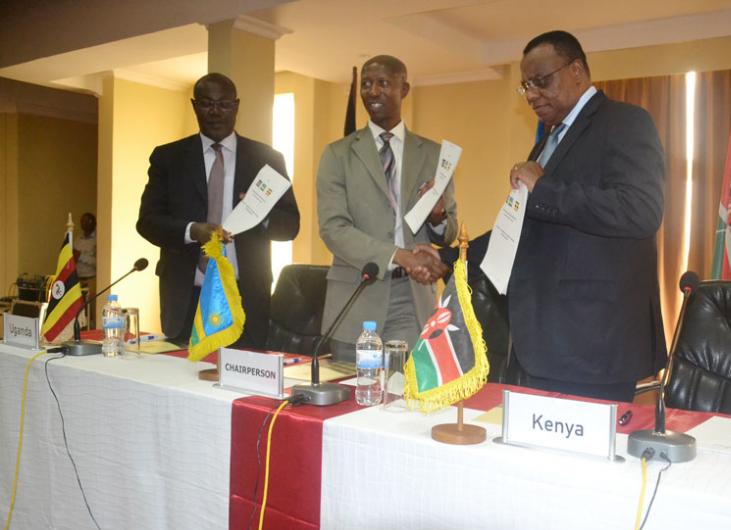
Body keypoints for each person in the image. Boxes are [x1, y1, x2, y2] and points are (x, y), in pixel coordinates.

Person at [507, 31, 667, 402]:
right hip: (544, 341)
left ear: (577, 70)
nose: (531, 94)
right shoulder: (548, 141)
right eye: (525, 86)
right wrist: (449, 255)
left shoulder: (625, 122)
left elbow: (641, 210)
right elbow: (526, 231)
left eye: (541, 81)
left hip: (595, 342)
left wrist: (543, 190)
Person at [136, 73, 300, 349]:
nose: (215, 112)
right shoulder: (168, 157)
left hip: (244, 296)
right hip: (186, 296)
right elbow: (148, 221)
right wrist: (191, 231)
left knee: (242, 381)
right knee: (178, 382)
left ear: (236, 107)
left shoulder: (267, 159)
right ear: (194, 105)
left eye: (223, 104)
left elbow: (290, 226)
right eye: (206, 103)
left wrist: (260, 215)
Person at [317, 55, 457, 362]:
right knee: (350, 401)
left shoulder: (433, 154)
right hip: (355, 298)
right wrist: (399, 256)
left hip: (412, 298)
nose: (373, 91)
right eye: (366, 84)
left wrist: (438, 216)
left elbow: (449, 232)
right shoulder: (338, 154)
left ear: (404, 89)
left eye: (383, 83)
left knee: (403, 400)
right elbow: (333, 229)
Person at [74, 212, 97, 327]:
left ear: (93, 223)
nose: (84, 223)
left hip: (91, 279)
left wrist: (81, 256)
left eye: (87, 221)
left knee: (92, 311)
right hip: (78, 279)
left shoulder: (97, 239)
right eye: (82, 221)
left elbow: (98, 262)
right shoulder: (78, 238)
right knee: (79, 310)